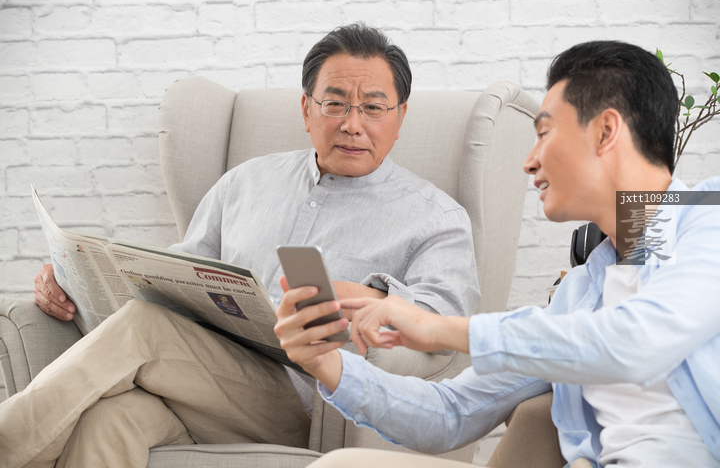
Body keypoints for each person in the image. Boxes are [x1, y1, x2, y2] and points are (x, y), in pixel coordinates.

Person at [0, 24, 481, 468]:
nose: (353, 124)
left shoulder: (435, 218)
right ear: (307, 109)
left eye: (373, 108)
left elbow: (447, 325)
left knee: (144, 327)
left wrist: (368, 297)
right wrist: (68, 277)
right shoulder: (244, 183)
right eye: (335, 104)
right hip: (204, 386)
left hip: (308, 403)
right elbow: (172, 276)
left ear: (400, 117)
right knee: (109, 420)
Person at [275, 40, 720, 468]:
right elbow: (449, 414)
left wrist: (443, 328)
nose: (529, 161)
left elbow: (637, 341)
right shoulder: (582, 294)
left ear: (605, 132)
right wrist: (328, 365)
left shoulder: (707, 223)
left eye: (544, 133)